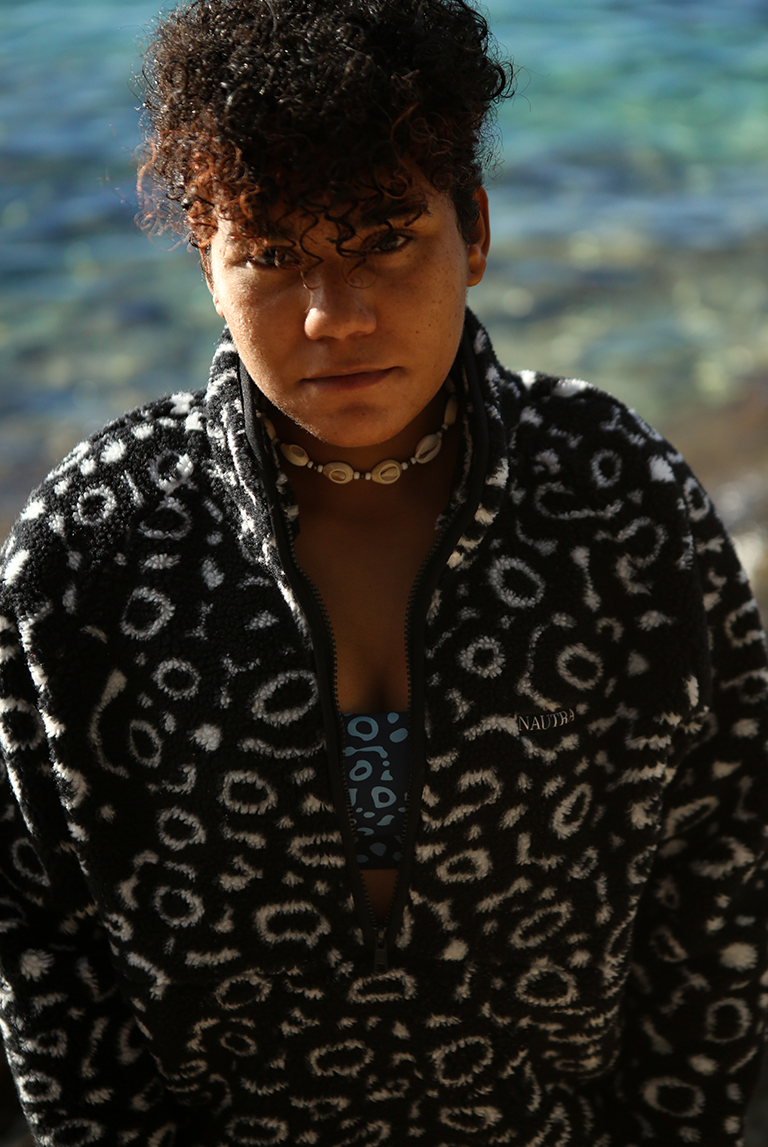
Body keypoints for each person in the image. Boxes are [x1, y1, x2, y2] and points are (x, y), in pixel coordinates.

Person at [0, 0, 766, 1143]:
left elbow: (720, 869)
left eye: (384, 239)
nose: (333, 316)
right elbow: (40, 937)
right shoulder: (96, 546)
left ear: (478, 232)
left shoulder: (615, 501)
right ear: (207, 261)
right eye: (271, 255)